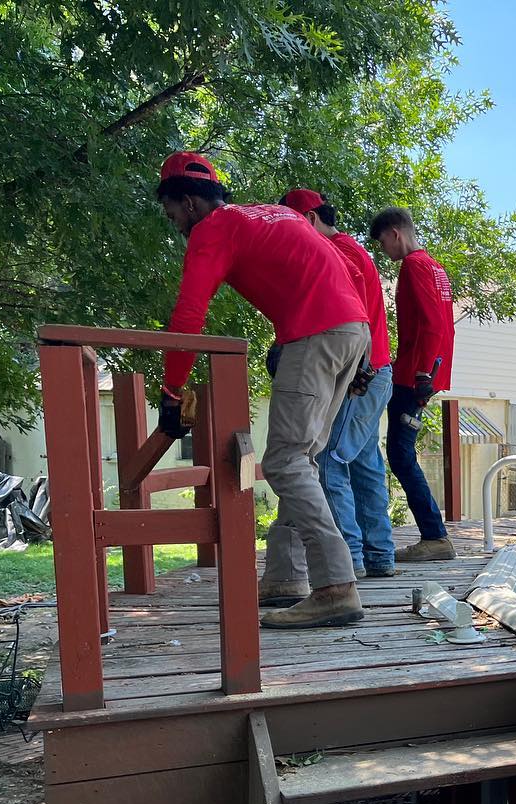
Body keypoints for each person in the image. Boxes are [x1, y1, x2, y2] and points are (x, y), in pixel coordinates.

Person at [154, 151, 368, 629]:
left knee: (285, 461)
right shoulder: (275, 214)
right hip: (352, 331)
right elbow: (339, 272)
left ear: (189, 203)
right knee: (303, 460)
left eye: (172, 216)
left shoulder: (213, 230)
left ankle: (335, 586)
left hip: (316, 333)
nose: (176, 227)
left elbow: (189, 317)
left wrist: (171, 390)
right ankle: (285, 576)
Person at [280, 189, 397, 578]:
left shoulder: (339, 253)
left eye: (293, 227)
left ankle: (348, 564)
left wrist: (354, 372)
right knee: (364, 464)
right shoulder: (352, 250)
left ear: (310, 220)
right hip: (374, 369)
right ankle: (379, 556)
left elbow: (353, 317)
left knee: (329, 462)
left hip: (359, 375)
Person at [370, 206, 456, 562]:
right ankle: (434, 534)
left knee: (401, 455)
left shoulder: (414, 265)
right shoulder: (436, 267)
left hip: (414, 377)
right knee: (403, 454)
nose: (385, 253)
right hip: (423, 372)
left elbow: (434, 324)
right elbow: (442, 325)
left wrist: (423, 373)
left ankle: (434, 537)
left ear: (395, 233)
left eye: (382, 244)